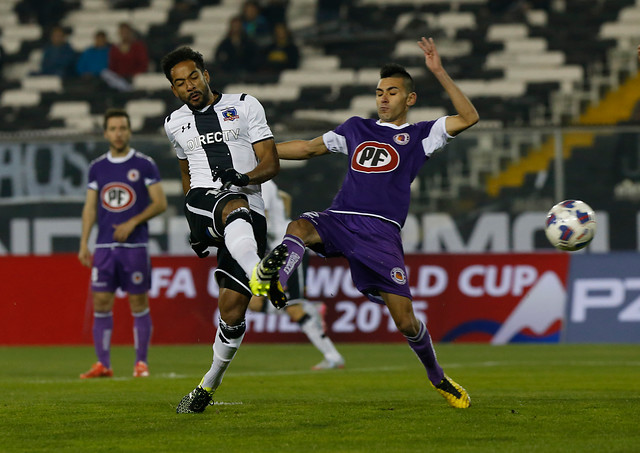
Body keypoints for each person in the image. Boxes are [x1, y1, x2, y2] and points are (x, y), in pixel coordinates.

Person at [269, 37, 479, 408]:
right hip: (340, 218)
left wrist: (439, 72)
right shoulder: (355, 127)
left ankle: (438, 377)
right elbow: (306, 148)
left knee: (406, 323)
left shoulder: (420, 136)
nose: (383, 98)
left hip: (381, 233)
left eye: (392, 92)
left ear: (409, 99)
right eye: (379, 91)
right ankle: (278, 280)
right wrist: (258, 149)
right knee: (299, 227)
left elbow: (469, 118)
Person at [160, 46, 288, 413]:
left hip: (250, 213)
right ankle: (259, 273)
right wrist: (194, 224)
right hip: (207, 200)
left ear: (206, 75)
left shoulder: (246, 105)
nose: (189, 87)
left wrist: (243, 177)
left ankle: (206, 386)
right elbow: (186, 172)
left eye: (193, 77)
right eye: (180, 83)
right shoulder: (174, 123)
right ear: (175, 90)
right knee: (233, 204)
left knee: (232, 314)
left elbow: (272, 163)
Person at [78, 108, 168, 379]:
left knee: (138, 302)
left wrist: (132, 222)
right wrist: (84, 243)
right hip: (104, 247)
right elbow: (90, 208)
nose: (118, 133)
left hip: (135, 247)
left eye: (123, 128)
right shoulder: (97, 167)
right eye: (114, 128)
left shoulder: (144, 164)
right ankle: (103, 364)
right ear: (106, 133)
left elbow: (160, 203)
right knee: (102, 302)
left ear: (129, 131)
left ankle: (141, 363)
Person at [248, 180, 345, 370]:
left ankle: (333, 357)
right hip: (274, 250)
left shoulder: (261, 183)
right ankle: (311, 308)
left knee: (293, 308)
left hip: (288, 248)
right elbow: (285, 198)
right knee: (254, 303)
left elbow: (263, 216)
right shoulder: (262, 183)